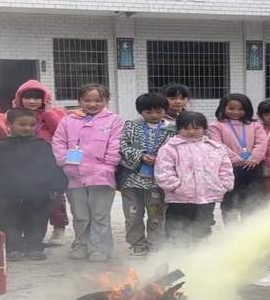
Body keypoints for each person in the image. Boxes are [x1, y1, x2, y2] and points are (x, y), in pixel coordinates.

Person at [0, 108, 67, 261]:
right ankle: (13, 248)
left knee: (37, 220)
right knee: (8, 221)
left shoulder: (42, 146)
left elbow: (52, 167)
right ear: (9, 125)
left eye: (31, 125)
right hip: (6, 194)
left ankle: (34, 247)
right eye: (22, 124)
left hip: (37, 194)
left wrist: (56, 186)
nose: (27, 128)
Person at [52, 83, 124, 262]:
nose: (92, 104)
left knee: (100, 215)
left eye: (98, 100)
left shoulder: (114, 120)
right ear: (79, 101)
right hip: (73, 175)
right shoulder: (67, 121)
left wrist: (108, 165)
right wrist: (65, 163)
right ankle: (81, 245)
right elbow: (58, 142)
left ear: (106, 101)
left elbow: (116, 144)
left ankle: (100, 247)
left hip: (101, 176)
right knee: (80, 215)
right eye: (87, 100)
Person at [155, 111, 234, 244]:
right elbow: (163, 171)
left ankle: (200, 252)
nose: (191, 131)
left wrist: (224, 184)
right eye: (186, 128)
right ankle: (179, 253)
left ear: (204, 128)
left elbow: (225, 167)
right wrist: (176, 187)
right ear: (178, 128)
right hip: (179, 198)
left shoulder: (215, 147)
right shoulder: (169, 148)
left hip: (207, 197)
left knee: (204, 226)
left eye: (196, 128)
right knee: (178, 227)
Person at [12, 80, 68, 246]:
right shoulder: (13, 114)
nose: (32, 101)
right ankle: (32, 232)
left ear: (45, 99)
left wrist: (48, 114)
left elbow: (61, 132)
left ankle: (59, 227)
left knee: (55, 199)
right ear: (20, 98)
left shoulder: (55, 113)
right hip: (22, 164)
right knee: (29, 200)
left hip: (48, 164)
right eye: (27, 97)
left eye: (37, 98)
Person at [119, 93, 176, 257]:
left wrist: (160, 159)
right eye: (148, 112)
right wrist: (141, 156)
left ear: (165, 110)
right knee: (132, 215)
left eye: (158, 111)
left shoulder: (172, 129)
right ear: (140, 112)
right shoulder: (131, 126)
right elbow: (122, 146)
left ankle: (155, 243)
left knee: (156, 214)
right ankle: (136, 244)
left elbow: (176, 150)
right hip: (131, 179)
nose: (154, 115)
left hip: (157, 181)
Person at [208, 93, 267, 223]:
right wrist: (234, 158)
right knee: (230, 201)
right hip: (229, 168)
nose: (236, 112)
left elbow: (262, 142)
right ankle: (232, 230)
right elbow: (217, 144)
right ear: (223, 108)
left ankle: (249, 229)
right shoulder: (215, 126)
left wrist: (254, 158)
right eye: (231, 108)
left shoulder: (255, 125)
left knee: (252, 200)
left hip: (253, 167)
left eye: (240, 109)